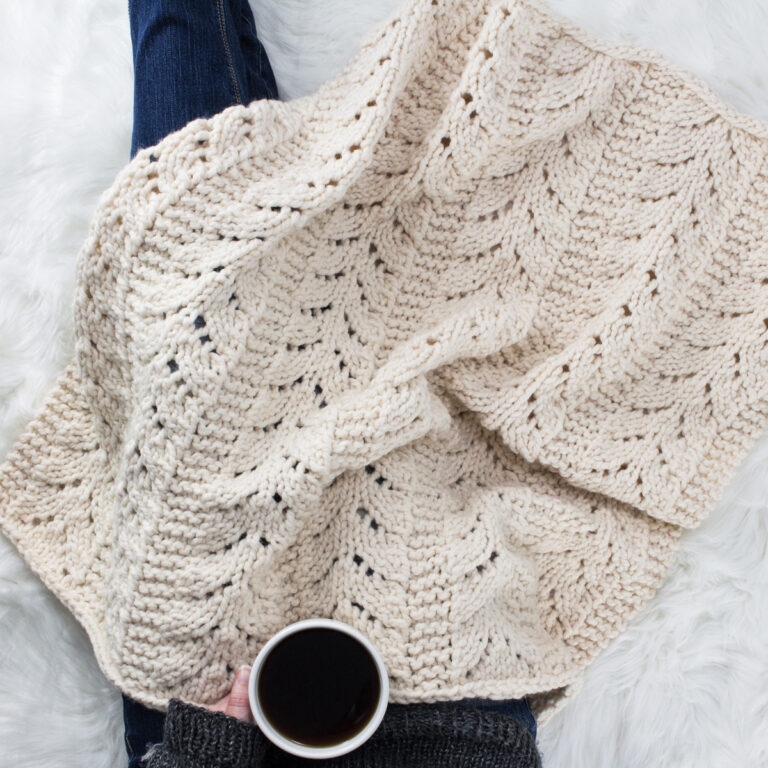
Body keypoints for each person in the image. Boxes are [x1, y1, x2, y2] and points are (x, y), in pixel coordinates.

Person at [122, 2, 543, 766]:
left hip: (216, 716)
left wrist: (209, 751)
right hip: (435, 691)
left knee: (193, 314)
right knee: (406, 333)